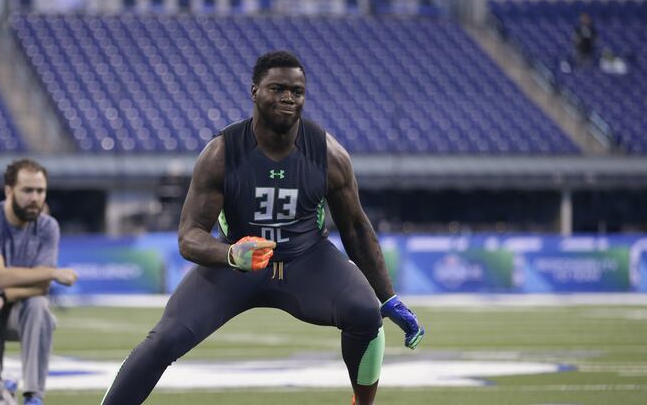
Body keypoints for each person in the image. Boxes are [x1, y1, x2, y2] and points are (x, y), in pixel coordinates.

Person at [101, 51, 424, 405]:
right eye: (278, 88)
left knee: (365, 313)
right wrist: (230, 253)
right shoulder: (221, 153)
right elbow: (189, 237)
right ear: (255, 91)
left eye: (297, 91)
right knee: (163, 340)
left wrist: (388, 297)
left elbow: (357, 229)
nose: (288, 98)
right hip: (236, 267)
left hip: (306, 261)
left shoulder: (329, 155)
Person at [0, 159, 78, 405]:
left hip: (13, 313)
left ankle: (33, 396)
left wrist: (2, 296)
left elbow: (41, 287)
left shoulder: (48, 226)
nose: (35, 198)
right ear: (9, 191)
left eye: (40, 191)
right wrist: (51, 272)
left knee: (39, 307)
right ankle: (4, 393)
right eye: (27, 190)